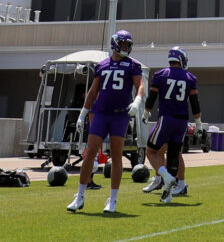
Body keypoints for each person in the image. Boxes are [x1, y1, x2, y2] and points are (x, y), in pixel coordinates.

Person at [66, 29, 144, 214]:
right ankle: (80, 196)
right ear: (115, 44)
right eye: (123, 44)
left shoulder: (132, 65)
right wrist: (83, 113)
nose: (125, 47)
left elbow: (140, 85)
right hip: (101, 112)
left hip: (119, 114)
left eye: (128, 45)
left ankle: (113, 199)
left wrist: (138, 101)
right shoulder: (102, 65)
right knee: (91, 152)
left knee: (116, 155)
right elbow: (93, 92)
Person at [142, 46, 200, 203]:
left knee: (150, 151)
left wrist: (146, 112)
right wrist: (199, 123)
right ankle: (168, 194)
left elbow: (152, 97)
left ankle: (166, 178)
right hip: (182, 122)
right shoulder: (190, 77)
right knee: (173, 154)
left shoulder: (161, 75)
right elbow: (195, 103)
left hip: (166, 119)